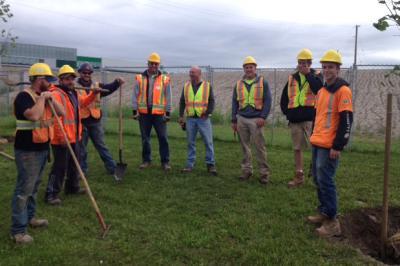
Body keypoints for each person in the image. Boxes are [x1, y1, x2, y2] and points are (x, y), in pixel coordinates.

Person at [11, 63, 65, 244]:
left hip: (42, 148)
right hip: (27, 151)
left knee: (34, 187)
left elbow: (61, 112)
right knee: (24, 189)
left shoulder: (44, 96)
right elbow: (33, 116)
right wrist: (43, 98)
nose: (51, 83)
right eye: (48, 80)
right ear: (39, 79)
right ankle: (18, 231)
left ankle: (30, 218)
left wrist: (50, 99)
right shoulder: (24, 97)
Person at [307, 50, 353, 237]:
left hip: (330, 146)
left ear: (338, 69)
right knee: (318, 179)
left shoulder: (343, 91)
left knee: (326, 180)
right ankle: (324, 211)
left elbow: (347, 120)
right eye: (324, 67)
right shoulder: (322, 91)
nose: (327, 70)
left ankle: (333, 221)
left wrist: (338, 145)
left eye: (331, 67)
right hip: (318, 142)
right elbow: (318, 118)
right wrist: (313, 137)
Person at [45, 65, 99, 205]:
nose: (71, 81)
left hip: (74, 136)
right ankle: (51, 194)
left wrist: (93, 94)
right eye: (67, 79)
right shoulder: (56, 94)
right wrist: (62, 137)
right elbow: (56, 119)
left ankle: (72, 188)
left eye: (72, 79)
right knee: (59, 167)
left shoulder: (73, 93)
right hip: (61, 139)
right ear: (61, 79)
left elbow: (83, 103)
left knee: (74, 164)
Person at [280, 49, 323, 188]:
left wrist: (308, 74)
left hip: (310, 119)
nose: (302, 65)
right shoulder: (292, 78)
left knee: (315, 148)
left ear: (310, 63)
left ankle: (317, 176)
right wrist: (288, 113)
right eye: (300, 63)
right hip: (294, 120)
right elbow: (284, 98)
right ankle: (299, 176)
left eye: (305, 63)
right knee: (297, 148)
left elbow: (318, 90)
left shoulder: (317, 76)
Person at [77, 62, 125, 180]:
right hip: (81, 122)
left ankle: (112, 168)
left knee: (102, 146)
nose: (87, 74)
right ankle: (82, 170)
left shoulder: (96, 85)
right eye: (84, 72)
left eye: (89, 73)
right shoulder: (75, 87)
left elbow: (108, 88)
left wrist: (116, 82)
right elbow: (82, 102)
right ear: (80, 73)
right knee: (81, 148)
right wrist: (94, 93)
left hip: (95, 121)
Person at [231, 56, 272, 185]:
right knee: (245, 146)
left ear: (255, 68)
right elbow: (234, 102)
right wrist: (234, 120)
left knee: (259, 147)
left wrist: (263, 117)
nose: (249, 69)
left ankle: (264, 173)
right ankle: (246, 170)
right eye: (246, 67)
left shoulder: (262, 82)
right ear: (244, 69)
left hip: (256, 119)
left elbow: (268, 101)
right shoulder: (238, 84)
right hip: (241, 119)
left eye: (251, 67)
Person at [132, 52, 172, 171]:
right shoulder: (140, 78)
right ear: (148, 64)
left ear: (158, 65)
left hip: (159, 115)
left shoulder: (164, 79)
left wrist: (168, 113)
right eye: (152, 63)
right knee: (145, 138)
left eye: (156, 64)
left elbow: (168, 96)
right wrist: (135, 111)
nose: (154, 66)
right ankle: (146, 160)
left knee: (163, 138)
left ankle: (165, 162)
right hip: (144, 114)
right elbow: (135, 95)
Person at [178, 66, 217, 175]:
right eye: (190, 72)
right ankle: (189, 165)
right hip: (190, 119)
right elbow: (182, 102)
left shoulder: (207, 86)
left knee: (208, 142)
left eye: (193, 72)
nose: (191, 74)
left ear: (199, 73)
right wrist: (181, 116)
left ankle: (211, 164)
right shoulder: (186, 86)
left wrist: (208, 112)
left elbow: (212, 101)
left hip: (203, 119)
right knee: (190, 142)